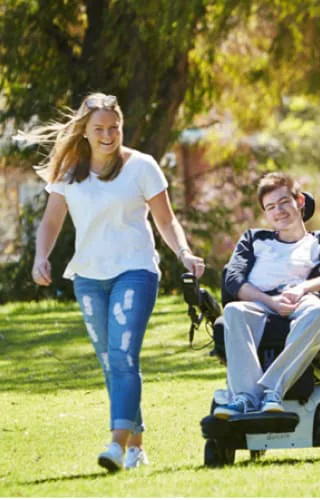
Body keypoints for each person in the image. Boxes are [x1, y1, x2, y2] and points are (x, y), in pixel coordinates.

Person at [25, 92, 205, 471]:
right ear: (85, 132)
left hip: (135, 271)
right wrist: (41, 256)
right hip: (88, 277)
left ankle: (116, 445)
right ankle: (137, 446)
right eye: (100, 129)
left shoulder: (142, 167)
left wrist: (184, 253)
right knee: (111, 363)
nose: (108, 135)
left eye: (114, 127)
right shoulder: (68, 170)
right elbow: (52, 220)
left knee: (124, 356)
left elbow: (166, 220)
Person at [213, 172, 320, 419]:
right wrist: (270, 301)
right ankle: (245, 398)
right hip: (260, 302)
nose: (278, 211)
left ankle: (271, 390)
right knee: (233, 310)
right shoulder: (253, 239)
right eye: (270, 207)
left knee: (317, 310)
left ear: (299, 201)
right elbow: (233, 279)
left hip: (300, 299)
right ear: (265, 213)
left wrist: (302, 288)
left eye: (283, 203)